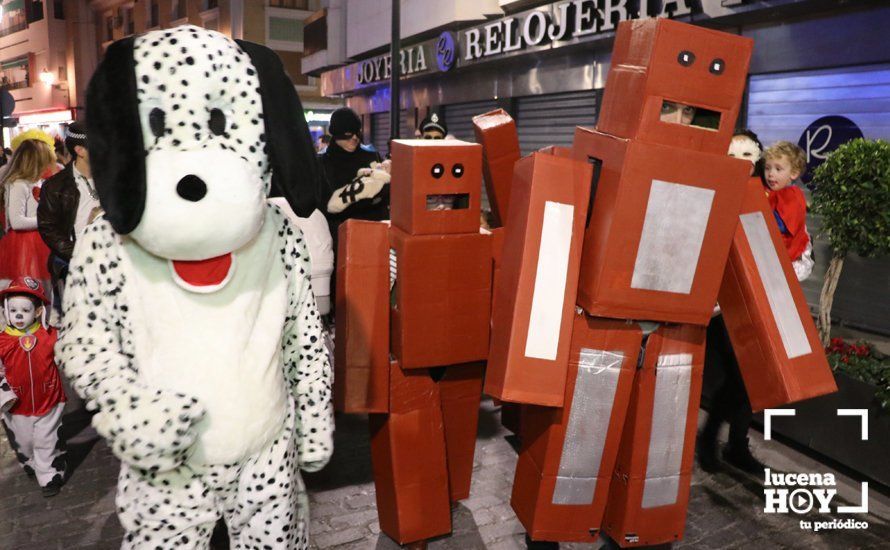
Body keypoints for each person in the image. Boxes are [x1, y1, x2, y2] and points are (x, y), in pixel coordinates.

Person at [698, 129, 767, 474]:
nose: (740, 164)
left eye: (747, 156)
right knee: (740, 376)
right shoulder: (710, 193)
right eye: (732, 156)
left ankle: (735, 445)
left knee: (749, 378)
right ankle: (711, 440)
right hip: (717, 306)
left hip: (754, 302)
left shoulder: (766, 198)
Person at [0, 277, 67, 497]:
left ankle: (49, 474)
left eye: (25, 310)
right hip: (17, 405)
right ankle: (29, 460)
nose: (18, 315)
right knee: (25, 441)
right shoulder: (2, 341)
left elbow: (68, 350)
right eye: (13, 310)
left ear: (38, 312)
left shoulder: (49, 335)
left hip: (49, 399)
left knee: (46, 439)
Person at [37, 122, 98, 306]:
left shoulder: (113, 179)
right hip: (74, 263)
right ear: (80, 150)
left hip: (112, 259)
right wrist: (77, 252)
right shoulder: (55, 185)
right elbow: (48, 228)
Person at [318, 107, 391, 245]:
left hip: (373, 232)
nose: (354, 138)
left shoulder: (371, 155)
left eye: (357, 133)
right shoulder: (322, 162)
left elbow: (385, 190)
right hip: (338, 235)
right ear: (336, 133)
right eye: (348, 133)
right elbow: (325, 204)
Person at [0, 140, 56, 295]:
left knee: (45, 289)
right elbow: (16, 221)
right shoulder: (19, 183)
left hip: (42, 241)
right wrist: (46, 221)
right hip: (24, 245)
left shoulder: (38, 181)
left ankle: (44, 318)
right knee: (28, 289)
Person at [763, 140, 814, 281]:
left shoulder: (792, 195)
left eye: (778, 169)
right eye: (767, 168)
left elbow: (781, 225)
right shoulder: (771, 192)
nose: (771, 174)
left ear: (794, 173)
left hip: (787, 259)